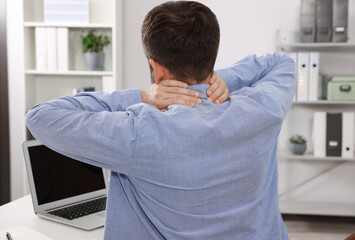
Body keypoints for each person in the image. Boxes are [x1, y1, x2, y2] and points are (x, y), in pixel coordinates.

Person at [26, 1, 296, 239]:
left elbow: (40, 117)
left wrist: (143, 95)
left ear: (157, 69)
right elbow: (281, 63)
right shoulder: (262, 110)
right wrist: (219, 79)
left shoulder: (141, 131)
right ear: (212, 54)